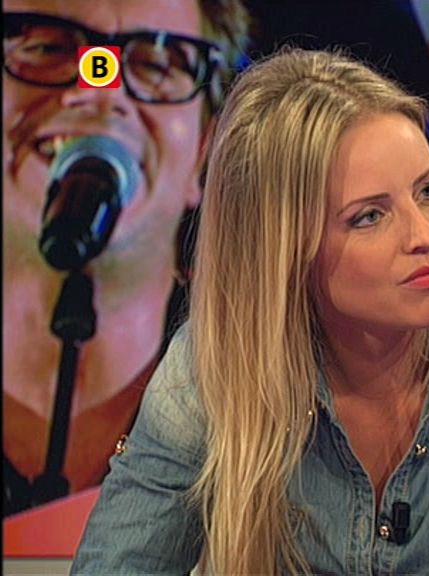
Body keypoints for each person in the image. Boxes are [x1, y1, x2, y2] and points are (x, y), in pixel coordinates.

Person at [71, 47, 429, 574]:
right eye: (369, 216)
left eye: (427, 191)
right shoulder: (216, 365)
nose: (425, 235)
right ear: (284, 250)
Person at [2, 0, 249, 517]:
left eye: (156, 63)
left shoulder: (280, 416)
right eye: (45, 47)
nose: (102, 89)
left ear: (204, 152)